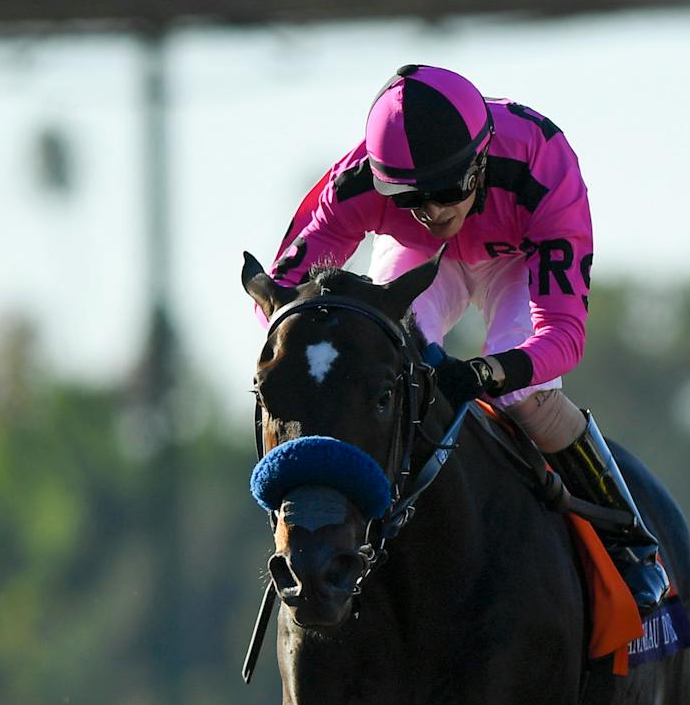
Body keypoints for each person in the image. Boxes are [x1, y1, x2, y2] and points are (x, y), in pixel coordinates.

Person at [263, 64, 668, 613]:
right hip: (422, 263)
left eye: (449, 189)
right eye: (410, 197)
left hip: (516, 261)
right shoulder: (355, 181)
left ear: (481, 158)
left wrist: (485, 373)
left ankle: (631, 543)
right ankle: (352, 533)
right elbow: (281, 295)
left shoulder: (542, 164)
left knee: (525, 394)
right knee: (380, 362)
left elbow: (564, 336)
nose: (433, 211)